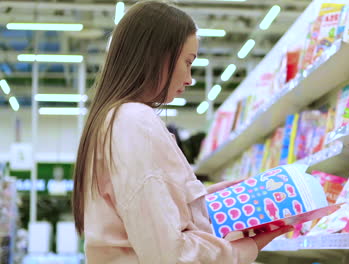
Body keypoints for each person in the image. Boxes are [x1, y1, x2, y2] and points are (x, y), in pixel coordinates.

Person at [72, 1, 292, 263]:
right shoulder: (134, 120)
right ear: (158, 56)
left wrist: (201, 199)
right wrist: (246, 248)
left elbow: (140, 213)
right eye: (188, 62)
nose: (189, 79)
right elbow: (169, 254)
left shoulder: (113, 119)